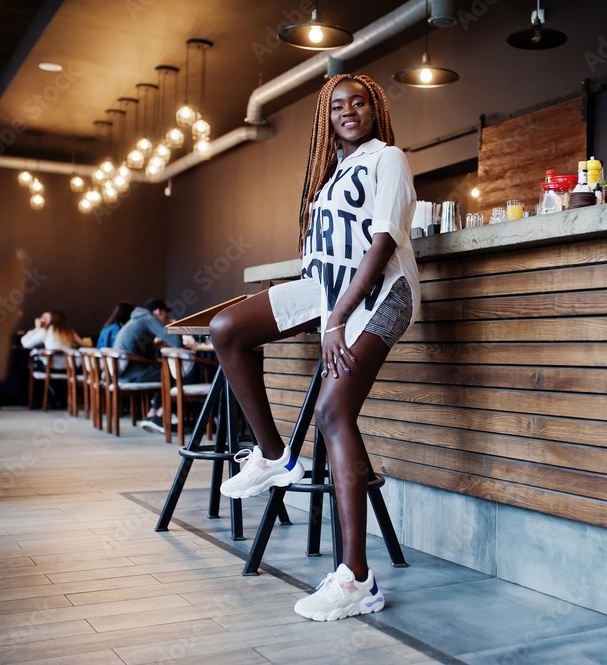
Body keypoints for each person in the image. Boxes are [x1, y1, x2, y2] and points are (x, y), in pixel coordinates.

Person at [209, 74, 418, 622]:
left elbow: (383, 243)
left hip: (379, 297)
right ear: (327, 118)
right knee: (228, 329)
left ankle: (357, 578)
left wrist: (338, 319)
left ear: (376, 108)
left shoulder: (387, 158)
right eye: (338, 105)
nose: (350, 111)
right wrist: (319, 311)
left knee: (332, 412)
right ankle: (275, 455)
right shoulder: (328, 176)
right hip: (327, 294)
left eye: (360, 102)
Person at [112, 298, 182, 434]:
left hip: (123, 373)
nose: (165, 316)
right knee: (173, 374)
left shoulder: (137, 318)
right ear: (157, 311)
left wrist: (155, 344)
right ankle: (159, 416)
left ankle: (152, 414)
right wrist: (171, 326)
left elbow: (141, 349)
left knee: (165, 372)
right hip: (131, 374)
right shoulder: (149, 319)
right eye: (164, 313)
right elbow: (176, 342)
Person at [21, 310, 88, 369]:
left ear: (51, 319)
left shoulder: (45, 331)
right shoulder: (70, 332)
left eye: (46, 318)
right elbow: (84, 345)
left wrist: (37, 328)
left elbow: (26, 344)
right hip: (69, 368)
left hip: (50, 367)